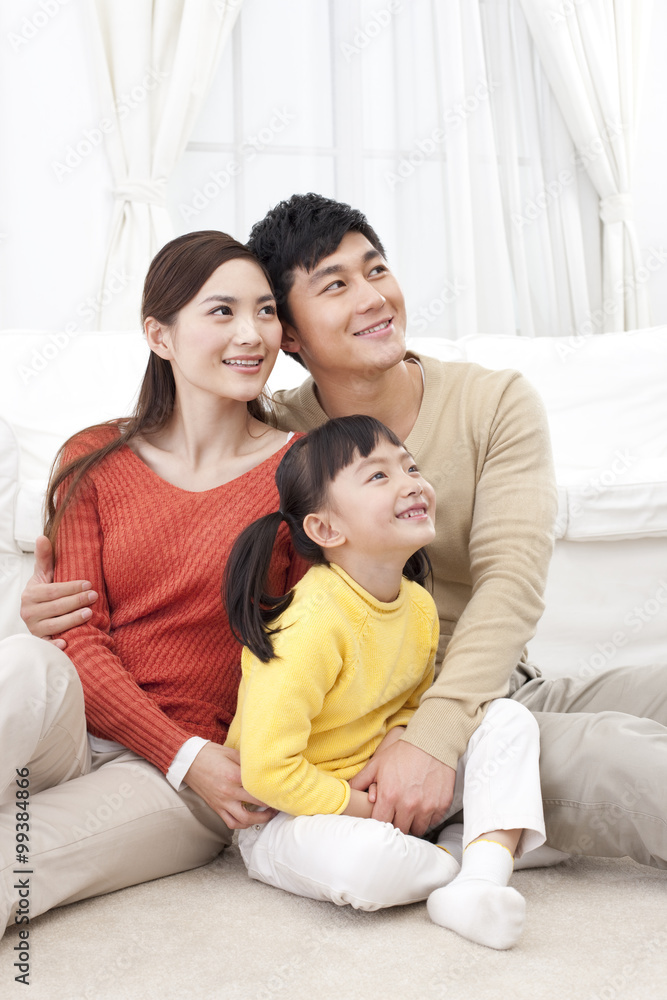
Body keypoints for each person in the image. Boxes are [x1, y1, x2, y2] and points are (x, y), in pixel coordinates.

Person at [22, 194, 667, 868]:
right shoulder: (288, 448)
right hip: (375, 712)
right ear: (292, 335)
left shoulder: (491, 401)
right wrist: (60, 617)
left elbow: (509, 583)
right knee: (608, 754)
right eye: (335, 284)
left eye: (377, 270)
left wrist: (431, 736)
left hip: (483, 681)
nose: (372, 298)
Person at [0, 230, 308, 934]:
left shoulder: (302, 473)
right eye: (222, 311)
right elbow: (76, 637)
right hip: (74, 730)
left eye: (265, 312)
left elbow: (319, 634)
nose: (252, 333)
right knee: (25, 658)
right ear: (159, 335)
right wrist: (181, 751)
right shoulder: (91, 456)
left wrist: (192, 759)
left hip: (183, 783)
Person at [224, 414, 545, 950]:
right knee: (366, 864)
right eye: (378, 476)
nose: (411, 481)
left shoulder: (417, 606)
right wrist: (364, 808)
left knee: (509, 719)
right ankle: (473, 854)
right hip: (295, 814)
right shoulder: (311, 624)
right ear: (326, 529)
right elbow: (266, 773)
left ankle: (480, 884)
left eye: (411, 466)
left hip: (392, 792)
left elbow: (410, 703)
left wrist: (399, 742)